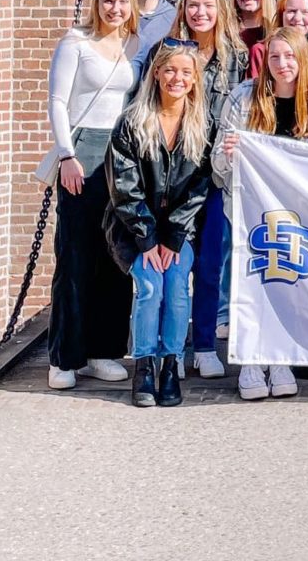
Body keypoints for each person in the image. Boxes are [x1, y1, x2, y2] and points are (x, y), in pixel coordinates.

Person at [213, 27, 308, 400]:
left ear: (302, 59)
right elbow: (216, 166)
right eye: (275, 57)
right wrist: (228, 153)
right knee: (249, 285)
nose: (282, 64)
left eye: (290, 56)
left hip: (293, 217)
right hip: (246, 211)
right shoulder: (244, 97)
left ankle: (279, 359)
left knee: (285, 287)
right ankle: (250, 363)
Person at [45, 0, 140, 391]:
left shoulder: (133, 45)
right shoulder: (75, 43)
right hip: (81, 156)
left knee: (114, 256)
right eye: (108, 1)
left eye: (122, 2)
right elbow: (58, 101)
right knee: (76, 255)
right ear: (97, 3)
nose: (115, 8)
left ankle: (104, 350)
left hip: (118, 159)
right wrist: (66, 155)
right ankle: (66, 355)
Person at [104, 40, 211, 408]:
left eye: (185, 72)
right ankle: (144, 367)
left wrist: (172, 238)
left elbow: (198, 188)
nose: (177, 78)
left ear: (195, 79)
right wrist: (149, 240)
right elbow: (123, 187)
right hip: (134, 230)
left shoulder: (202, 126)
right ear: (156, 74)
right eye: (170, 70)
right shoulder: (132, 122)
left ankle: (170, 364)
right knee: (151, 288)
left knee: (178, 287)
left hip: (178, 234)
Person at [160, 0, 246, 374]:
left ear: (220, 10)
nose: (200, 12)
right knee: (173, 263)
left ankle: (206, 345)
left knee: (211, 262)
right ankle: (170, 348)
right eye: (193, 5)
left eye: (208, 6)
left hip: (215, 175)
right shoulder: (168, 52)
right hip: (175, 173)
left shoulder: (237, 57)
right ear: (183, 9)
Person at [247, 0, 308, 83]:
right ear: (281, 15)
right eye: (291, 11)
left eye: (305, 12)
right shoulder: (261, 52)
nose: (297, 18)